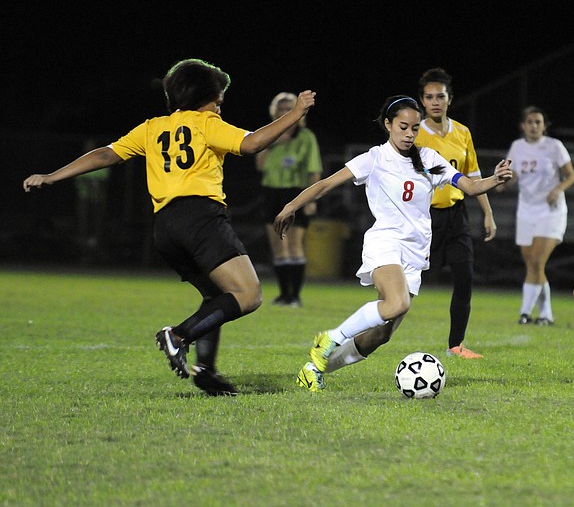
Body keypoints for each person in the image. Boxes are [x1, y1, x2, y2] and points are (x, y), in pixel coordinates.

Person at [23, 58, 316, 396]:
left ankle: (205, 371)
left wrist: (51, 176)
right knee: (248, 295)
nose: (220, 105)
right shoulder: (205, 123)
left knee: (216, 298)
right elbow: (251, 143)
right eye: (218, 99)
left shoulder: (152, 127)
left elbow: (106, 155)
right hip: (201, 218)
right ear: (204, 97)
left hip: (165, 228)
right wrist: (295, 114)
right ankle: (178, 335)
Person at [273, 95, 513, 391]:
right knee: (396, 302)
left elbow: (470, 186)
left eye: (414, 129)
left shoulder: (429, 161)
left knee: (381, 335)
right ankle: (330, 338)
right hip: (385, 243)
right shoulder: (374, 159)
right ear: (388, 125)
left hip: (415, 253)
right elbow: (325, 184)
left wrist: (496, 178)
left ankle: (314, 369)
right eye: (403, 127)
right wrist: (290, 206)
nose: (409, 134)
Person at [413, 67, 495, 359]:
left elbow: (472, 175)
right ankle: (378, 327)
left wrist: (487, 212)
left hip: (457, 215)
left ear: (449, 99)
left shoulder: (462, 132)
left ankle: (455, 345)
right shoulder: (415, 135)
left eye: (440, 96)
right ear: (422, 101)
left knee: (465, 278)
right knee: (411, 282)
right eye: (429, 97)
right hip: (425, 217)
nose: (435, 101)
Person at [504, 106, 574, 325]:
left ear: (544, 125)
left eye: (538, 122)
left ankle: (525, 313)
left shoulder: (554, 146)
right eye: (530, 122)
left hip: (550, 211)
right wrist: (503, 181)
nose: (534, 126)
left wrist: (557, 189)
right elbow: (513, 174)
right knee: (533, 266)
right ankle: (546, 315)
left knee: (536, 260)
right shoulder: (517, 147)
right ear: (522, 126)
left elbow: (570, 175)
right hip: (526, 211)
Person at [256, 91, 323, 307]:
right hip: (271, 192)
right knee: (278, 246)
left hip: (296, 193)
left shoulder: (306, 137)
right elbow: (259, 165)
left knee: (294, 244)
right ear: (275, 112)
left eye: (289, 108)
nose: (285, 113)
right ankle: (284, 294)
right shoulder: (269, 135)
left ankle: (295, 296)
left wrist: (312, 200)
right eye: (281, 109)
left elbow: (314, 171)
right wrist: (273, 143)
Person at [74, 137, 111, 264]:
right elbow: (79, 179)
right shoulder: (81, 162)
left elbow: (103, 182)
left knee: (98, 227)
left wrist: (95, 186)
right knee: (83, 227)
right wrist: (91, 184)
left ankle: (97, 256)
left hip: (98, 201)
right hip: (84, 201)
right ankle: (82, 255)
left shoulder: (102, 161)